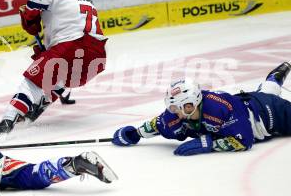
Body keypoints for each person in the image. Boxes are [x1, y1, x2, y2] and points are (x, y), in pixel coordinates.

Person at [0, 0, 107, 137]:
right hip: (97, 56)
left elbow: (33, 12)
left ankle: (6, 122)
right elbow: (69, 20)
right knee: (57, 75)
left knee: (31, 81)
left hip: (71, 46)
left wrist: (28, 20)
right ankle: (39, 106)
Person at [111, 62, 291, 156]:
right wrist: (135, 134)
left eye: (179, 107)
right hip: (250, 99)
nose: (175, 112)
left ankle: (274, 80)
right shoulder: (179, 114)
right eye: (172, 107)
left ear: (192, 103)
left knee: (269, 96)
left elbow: (244, 139)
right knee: (267, 90)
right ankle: (276, 77)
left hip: (271, 113)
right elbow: (159, 125)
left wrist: (209, 144)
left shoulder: (218, 108)